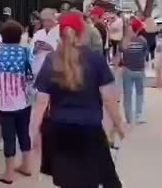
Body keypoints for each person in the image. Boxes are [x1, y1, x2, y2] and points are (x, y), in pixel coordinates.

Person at [31, 13, 124, 188]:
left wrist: (34, 132)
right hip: (90, 129)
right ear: (82, 33)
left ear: (60, 34)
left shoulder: (51, 60)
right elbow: (109, 98)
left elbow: (41, 102)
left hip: (59, 130)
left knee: (69, 181)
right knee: (96, 179)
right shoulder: (96, 60)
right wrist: (118, 124)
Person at [0, 20, 33, 184]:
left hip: (4, 102)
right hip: (24, 100)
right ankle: (26, 166)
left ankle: (9, 173)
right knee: (24, 133)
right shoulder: (26, 51)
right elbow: (32, 72)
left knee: (8, 137)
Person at [118, 19, 149, 125]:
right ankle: (139, 115)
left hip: (127, 69)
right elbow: (145, 54)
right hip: (140, 70)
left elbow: (120, 52)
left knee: (127, 94)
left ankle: (128, 118)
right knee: (140, 93)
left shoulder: (125, 41)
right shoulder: (143, 41)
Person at [31, 8, 60, 76]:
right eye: (43, 20)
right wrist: (36, 48)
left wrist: (51, 48)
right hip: (38, 70)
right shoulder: (38, 33)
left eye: (48, 20)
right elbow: (32, 53)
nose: (46, 23)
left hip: (54, 71)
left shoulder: (60, 31)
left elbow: (66, 53)